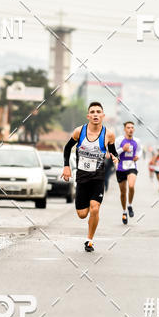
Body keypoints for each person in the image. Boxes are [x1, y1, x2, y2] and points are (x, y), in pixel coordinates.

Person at [62, 101, 119, 252]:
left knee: (95, 209)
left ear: (103, 115)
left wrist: (116, 159)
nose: (95, 114)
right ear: (88, 116)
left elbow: (113, 151)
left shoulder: (108, 134)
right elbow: (67, 148)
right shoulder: (79, 131)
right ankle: (88, 207)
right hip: (82, 178)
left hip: (98, 178)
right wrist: (66, 166)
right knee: (82, 214)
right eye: (92, 112)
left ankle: (89, 240)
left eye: (98, 112)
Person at [115, 121, 140, 224]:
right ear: (125, 129)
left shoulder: (137, 141)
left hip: (131, 166)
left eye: (132, 127)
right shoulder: (119, 140)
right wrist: (122, 149)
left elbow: (139, 150)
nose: (130, 129)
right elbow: (114, 153)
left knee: (131, 186)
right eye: (128, 127)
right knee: (123, 192)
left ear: (134, 129)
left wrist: (138, 156)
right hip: (121, 167)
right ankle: (124, 212)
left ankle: (129, 205)